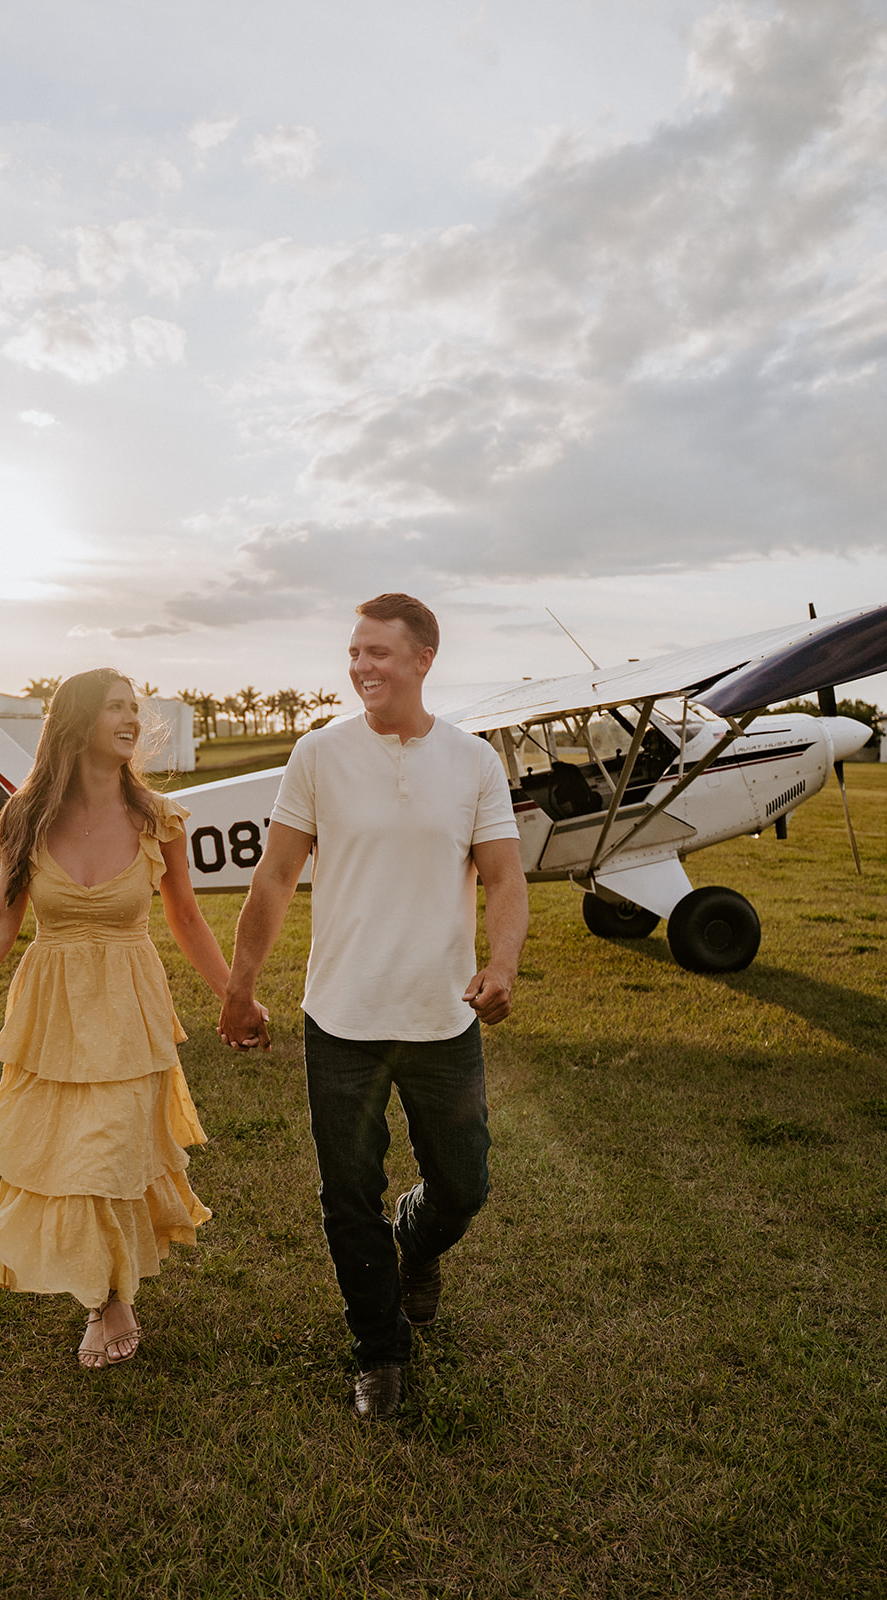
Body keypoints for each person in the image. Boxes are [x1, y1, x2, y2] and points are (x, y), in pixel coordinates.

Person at [218, 593, 528, 1418]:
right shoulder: (318, 754)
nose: (361, 667)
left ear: (423, 660)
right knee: (344, 1193)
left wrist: (501, 964)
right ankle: (378, 1350)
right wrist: (239, 987)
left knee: (462, 1185)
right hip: (342, 1021)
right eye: (355, 652)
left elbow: (502, 877)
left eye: (378, 653)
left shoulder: (473, 761)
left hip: (441, 1019)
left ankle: (417, 1238)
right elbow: (276, 877)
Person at [0, 669, 230, 1370]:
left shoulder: (158, 818)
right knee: (69, 1158)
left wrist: (236, 997)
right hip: (51, 1014)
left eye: (135, 709)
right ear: (77, 722)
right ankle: (107, 1299)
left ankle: (109, 1301)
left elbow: (187, 919)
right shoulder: (24, 818)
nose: (132, 719)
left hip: (129, 1010)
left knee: (109, 1154)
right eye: (116, 708)